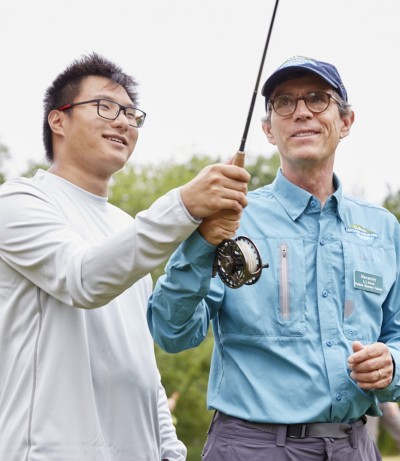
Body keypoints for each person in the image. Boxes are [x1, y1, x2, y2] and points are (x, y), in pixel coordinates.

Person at [147, 56, 400, 460]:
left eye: (318, 99)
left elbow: (397, 335)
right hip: (252, 447)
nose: (301, 112)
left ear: (347, 122)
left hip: (355, 446)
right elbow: (172, 333)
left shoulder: (384, 229)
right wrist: (198, 243)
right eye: (284, 102)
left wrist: (392, 364)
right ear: (268, 129)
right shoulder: (228, 217)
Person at [0, 52, 250, 461]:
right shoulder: (19, 201)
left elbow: (141, 368)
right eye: (105, 107)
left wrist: (169, 450)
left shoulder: (124, 227)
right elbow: (82, 278)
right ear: (58, 119)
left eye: (132, 114)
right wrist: (185, 205)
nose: (122, 121)